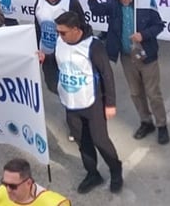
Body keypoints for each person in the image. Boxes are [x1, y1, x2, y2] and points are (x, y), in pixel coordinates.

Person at [85, 0, 170, 145]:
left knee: (153, 93)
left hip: (146, 56)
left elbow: (159, 25)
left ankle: (162, 125)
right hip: (126, 56)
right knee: (135, 92)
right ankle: (146, 121)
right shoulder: (113, 4)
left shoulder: (144, 5)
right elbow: (96, 10)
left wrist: (143, 35)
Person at [51, 11, 123, 194]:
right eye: (58, 32)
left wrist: (110, 104)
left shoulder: (93, 46)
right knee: (83, 142)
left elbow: (107, 74)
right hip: (70, 103)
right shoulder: (60, 42)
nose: (60, 35)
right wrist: (45, 58)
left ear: (76, 29)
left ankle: (116, 171)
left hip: (92, 103)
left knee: (100, 141)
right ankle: (93, 174)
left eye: (63, 32)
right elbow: (56, 59)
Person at [33, 0, 86, 95]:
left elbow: (82, 28)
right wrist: (35, 49)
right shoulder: (39, 1)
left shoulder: (70, 3)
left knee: (70, 90)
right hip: (47, 55)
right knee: (53, 86)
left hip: (66, 56)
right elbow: (37, 28)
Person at [0, 158, 69, 205]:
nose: (7, 190)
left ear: (28, 183)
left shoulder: (54, 204)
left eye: (13, 186)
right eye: (4, 183)